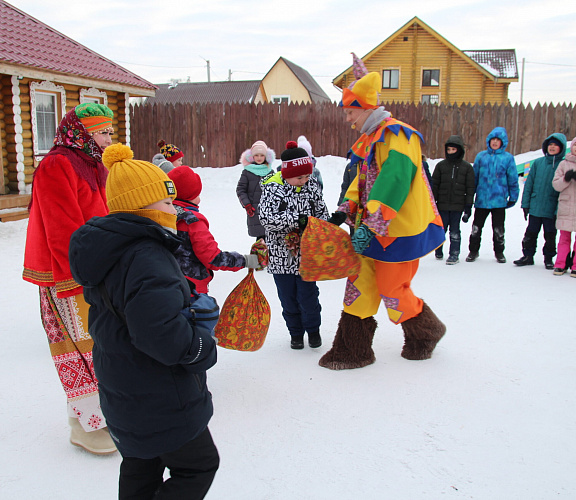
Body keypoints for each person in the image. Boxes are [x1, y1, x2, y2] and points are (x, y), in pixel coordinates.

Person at [69, 144, 219, 500]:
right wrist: (202, 339)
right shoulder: (147, 255)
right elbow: (165, 339)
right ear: (142, 204)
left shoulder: (110, 247)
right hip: (161, 398)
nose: (174, 209)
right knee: (197, 466)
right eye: (167, 202)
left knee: (140, 467)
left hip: (123, 393)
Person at [318, 70, 446, 370]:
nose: (348, 119)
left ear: (366, 108)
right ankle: (353, 350)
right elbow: (361, 180)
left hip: (394, 232)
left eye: (351, 112)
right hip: (367, 229)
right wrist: (345, 209)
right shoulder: (369, 139)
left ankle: (426, 332)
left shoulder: (398, 135)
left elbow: (394, 183)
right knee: (358, 285)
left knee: (392, 290)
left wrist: (372, 226)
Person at [22, 102, 116, 454]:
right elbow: (61, 228)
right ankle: (85, 427)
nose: (108, 139)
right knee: (78, 349)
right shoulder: (57, 165)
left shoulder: (94, 165)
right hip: (66, 274)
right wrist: (80, 276)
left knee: (100, 345)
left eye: (110, 132)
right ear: (82, 133)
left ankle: (100, 417)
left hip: (95, 269)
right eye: (102, 132)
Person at [258, 141, 329, 350]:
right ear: (287, 173)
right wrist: (297, 220)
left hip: (306, 254)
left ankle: (314, 330)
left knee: (309, 296)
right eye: (300, 177)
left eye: (308, 176)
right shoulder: (272, 189)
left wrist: (323, 223)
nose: (305, 180)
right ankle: (296, 333)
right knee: (288, 298)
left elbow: (321, 213)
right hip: (281, 255)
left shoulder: (311, 186)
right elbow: (266, 218)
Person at [167, 165, 264, 294]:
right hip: (192, 290)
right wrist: (247, 260)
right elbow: (213, 258)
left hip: (167, 285)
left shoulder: (163, 215)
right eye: (197, 194)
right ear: (190, 195)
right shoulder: (192, 222)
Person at [465, 127, 519, 264]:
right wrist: (470, 195)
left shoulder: (507, 158)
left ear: (503, 142)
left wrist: (513, 196)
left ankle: (499, 252)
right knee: (476, 227)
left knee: (498, 228)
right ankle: (473, 250)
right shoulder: (481, 157)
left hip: (499, 200)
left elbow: (512, 178)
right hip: (482, 199)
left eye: (498, 140)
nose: (495, 142)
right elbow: (474, 178)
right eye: (492, 140)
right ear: (489, 141)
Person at [513, 133, 566, 269]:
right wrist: (525, 204)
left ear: (562, 148)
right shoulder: (538, 163)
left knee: (550, 234)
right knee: (531, 233)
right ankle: (528, 256)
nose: (552, 147)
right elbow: (529, 184)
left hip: (551, 207)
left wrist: (558, 209)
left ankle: (548, 258)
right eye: (550, 145)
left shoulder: (563, 165)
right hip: (536, 206)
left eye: (556, 145)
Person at [431, 135, 476, 264]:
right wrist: (433, 203)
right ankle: (438, 249)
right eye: (449, 150)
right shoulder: (440, 166)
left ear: (460, 150)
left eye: (453, 150)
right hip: (442, 205)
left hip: (458, 206)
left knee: (455, 231)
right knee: (441, 229)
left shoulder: (467, 168)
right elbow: (434, 185)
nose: (451, 152)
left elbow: (470, 188)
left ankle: (454, 254)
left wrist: (468, 206)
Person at [236, 140, 275, 240]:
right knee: (260, 238)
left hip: (269, 211)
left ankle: (270, 255)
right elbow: (241, 190)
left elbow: (276, 190)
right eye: (256, 155)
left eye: (261, 155)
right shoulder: (247, 172)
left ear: (266, 156)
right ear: (252, 156)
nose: (259, 158)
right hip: (254, 210)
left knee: (271, 238)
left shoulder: (270, 172)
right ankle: (258, 255)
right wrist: (247, 205)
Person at [551, 137, 576, 277]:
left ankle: (575, 266)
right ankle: (561, 264)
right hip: (566, 206)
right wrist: (566, 178)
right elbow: (556, 185)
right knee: (564, 238)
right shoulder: (563, 164)